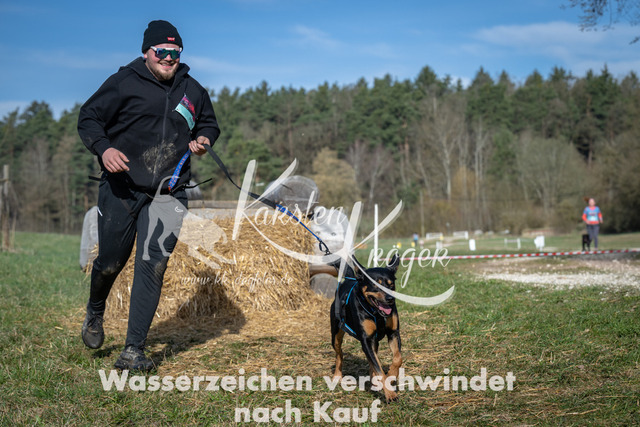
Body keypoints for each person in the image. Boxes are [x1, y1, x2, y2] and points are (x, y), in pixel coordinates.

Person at [77, 20, 220, 371]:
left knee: (152, 265)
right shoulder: (123, 82)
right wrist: (104, 148)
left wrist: (204, 140)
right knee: (111, 262)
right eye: (162, 51)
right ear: (147, 52)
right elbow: (89, 117)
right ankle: (96, 309)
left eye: (176, 52)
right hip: (122, 187)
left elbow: (208, 123)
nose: (169, 58)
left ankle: (133, 351)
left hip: (169, 192)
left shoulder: (193, 90)